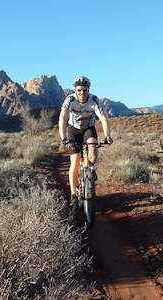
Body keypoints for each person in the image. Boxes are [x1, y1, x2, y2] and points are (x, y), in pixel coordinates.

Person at [59, 76, 113, 207]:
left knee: (93, 149)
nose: (82, 93)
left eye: (85, 90)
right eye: (79, 90)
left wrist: (107, 135)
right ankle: (73, 194)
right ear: (75, 90)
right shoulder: (70, 100)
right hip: (74, 130)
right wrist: (64, 138)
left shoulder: (94, 100)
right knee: (75, 163)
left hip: (89, 128)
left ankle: (90, 169)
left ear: (88, 90)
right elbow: (62, 118)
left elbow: (103, 118)